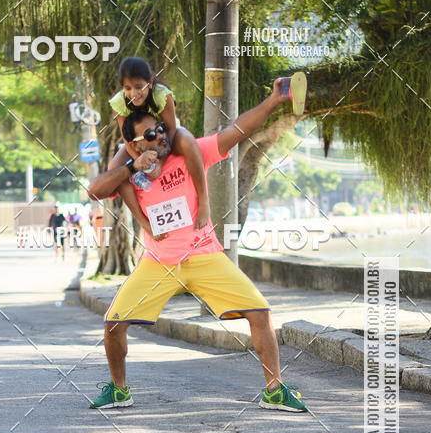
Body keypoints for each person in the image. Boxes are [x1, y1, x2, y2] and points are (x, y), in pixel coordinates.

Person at [87, 77, 308, 414]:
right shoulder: (131, 172)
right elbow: (96, 190)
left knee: (260, 313)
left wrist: (274, 100)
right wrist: (131, 166)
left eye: (161, 129)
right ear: (135, 144)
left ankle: (274, 391)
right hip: (158, 262)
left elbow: (238, 130)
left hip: (204, 255)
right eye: (150, 135)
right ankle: (119, 390)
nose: (160, 136)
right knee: (114, 324)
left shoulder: (190, 153)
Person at [108, 57, 210, 234]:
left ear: (150, 82)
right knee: (114, 167)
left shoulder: (162, 95)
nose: (133, 93)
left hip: (165, 136)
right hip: (139, 142)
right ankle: (143, 222)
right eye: (128, 88)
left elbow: (170, 129)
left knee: (187, 140)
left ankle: (204, 200)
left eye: (139, 87)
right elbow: (127, 139)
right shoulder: (119, 102)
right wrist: (141, 163)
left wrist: (159, 164)